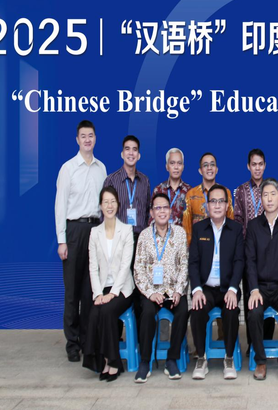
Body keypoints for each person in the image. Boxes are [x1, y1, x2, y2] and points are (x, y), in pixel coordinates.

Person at [55, 120, 107, 362]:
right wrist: (62, 240)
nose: (87, 139)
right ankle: (72, 343)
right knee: (72, 292)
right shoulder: (68, 169)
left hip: (95, 229)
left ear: (95, 139)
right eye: (83, 136)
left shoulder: (101, 168)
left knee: (90, 289)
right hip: (74, 231)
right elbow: (60, 206)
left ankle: (87, 339)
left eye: (91, 135)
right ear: (77, 140)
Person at [189, 184, 245, 380]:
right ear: (207, 205)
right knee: (197, 310)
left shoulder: (236, 229)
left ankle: (228, 358)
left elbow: (239, 261)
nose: (217, 205)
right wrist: (196, 289)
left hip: (227, 287)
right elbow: (193, 262)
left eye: (221, 201)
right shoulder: (199, 229)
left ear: (227, 205)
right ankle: (201, 357)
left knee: (231, 310)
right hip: (205, 288)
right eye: (213, 201)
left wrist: (233, 289)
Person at [133, 193, 189, 383]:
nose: (162, 211)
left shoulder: (179, 233)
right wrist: (150, 293)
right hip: (152, 292)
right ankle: (145, 361)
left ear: (171, 211)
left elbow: (184, 265)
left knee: (183, 311)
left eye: (165, 207)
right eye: (158, 208)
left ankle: (172, 359)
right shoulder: (144, 236)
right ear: (151, 212)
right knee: (147, 313)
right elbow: (138, 269)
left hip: (172, 290)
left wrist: (178, 291)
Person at [246, 178, 278, 381]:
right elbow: (250, 261)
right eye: (265, 195)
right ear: (261, 198)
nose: (269, 199)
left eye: (273, 194)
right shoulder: (253, 226)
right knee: (254, 312)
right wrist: (253, 290)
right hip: (259, 287)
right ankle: (260, 361)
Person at [82, 186, 135, 382]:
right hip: (103, 287)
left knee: (106, 311)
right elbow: (93, 266)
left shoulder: (126, 230)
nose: (109, 205)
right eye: (106, 202)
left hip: (123, 289)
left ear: (118, 205)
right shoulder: (94, 232)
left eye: (113, 201)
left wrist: (112, 293)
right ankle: (103, 360)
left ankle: (113, 361)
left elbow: (125, 266)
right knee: (94, 312)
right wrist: (97, 294)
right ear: (100, 206)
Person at [233, 149, 267, 351]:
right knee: (250, 294)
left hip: (269, 251)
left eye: (260, 164)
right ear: (248, 166)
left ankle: (266, 339)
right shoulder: (241, 191)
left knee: (268, 292)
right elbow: (238, 221)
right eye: (254, 164)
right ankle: (253, 342)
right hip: (249, 252)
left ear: (265, 165)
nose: (257, 168)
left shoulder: (271, 188)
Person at [103, 135, 151, 248]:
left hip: (140, 241)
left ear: (138, 156)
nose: (131, 153)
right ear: (122, 154)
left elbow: (147, 212)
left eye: (134, 149)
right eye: (127, 149)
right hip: (117, 240)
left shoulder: (145, 181)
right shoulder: (111, 180)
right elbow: (104, 213)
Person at [182, 152, 234, 246]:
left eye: (212, 164)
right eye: (205, 165)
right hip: (199, 247)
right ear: (200, 170)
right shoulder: (191, 194)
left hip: (221, 245)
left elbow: (231, 223)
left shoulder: (226, 193)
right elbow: (187, 228)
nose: (209, 168)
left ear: (216, 169)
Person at [151, 148, 192, 227]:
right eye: (172, 163)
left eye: (179, 163)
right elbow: (152, 218)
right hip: (161, 233)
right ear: (167, 166)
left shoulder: (189, 191)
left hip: (183, 234)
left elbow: (192, 220)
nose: (176, 167)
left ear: (183, 167)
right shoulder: (158, 190)